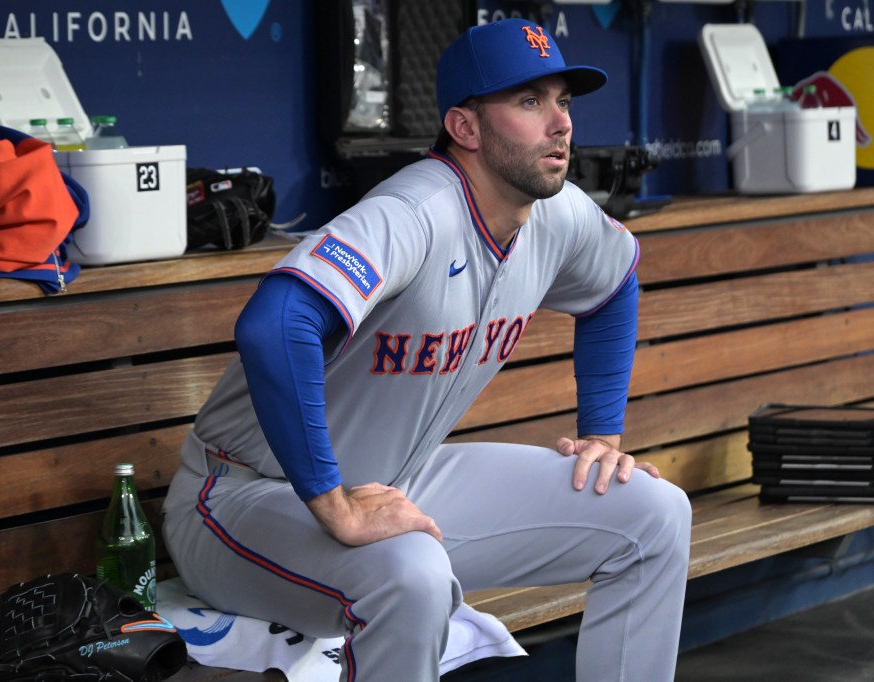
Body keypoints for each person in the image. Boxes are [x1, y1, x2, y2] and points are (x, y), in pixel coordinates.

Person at [162, 18, 691, 682]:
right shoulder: (412, 213)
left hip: (395, 482)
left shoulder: (560, 216)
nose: (559, 123)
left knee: (653, 513)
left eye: (563, 101)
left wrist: (602, 434)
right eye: (529, 102)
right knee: (411, 573)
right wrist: (335, 504)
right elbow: (274, 325)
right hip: (241, 500)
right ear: (466, 128)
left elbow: (615, 285)